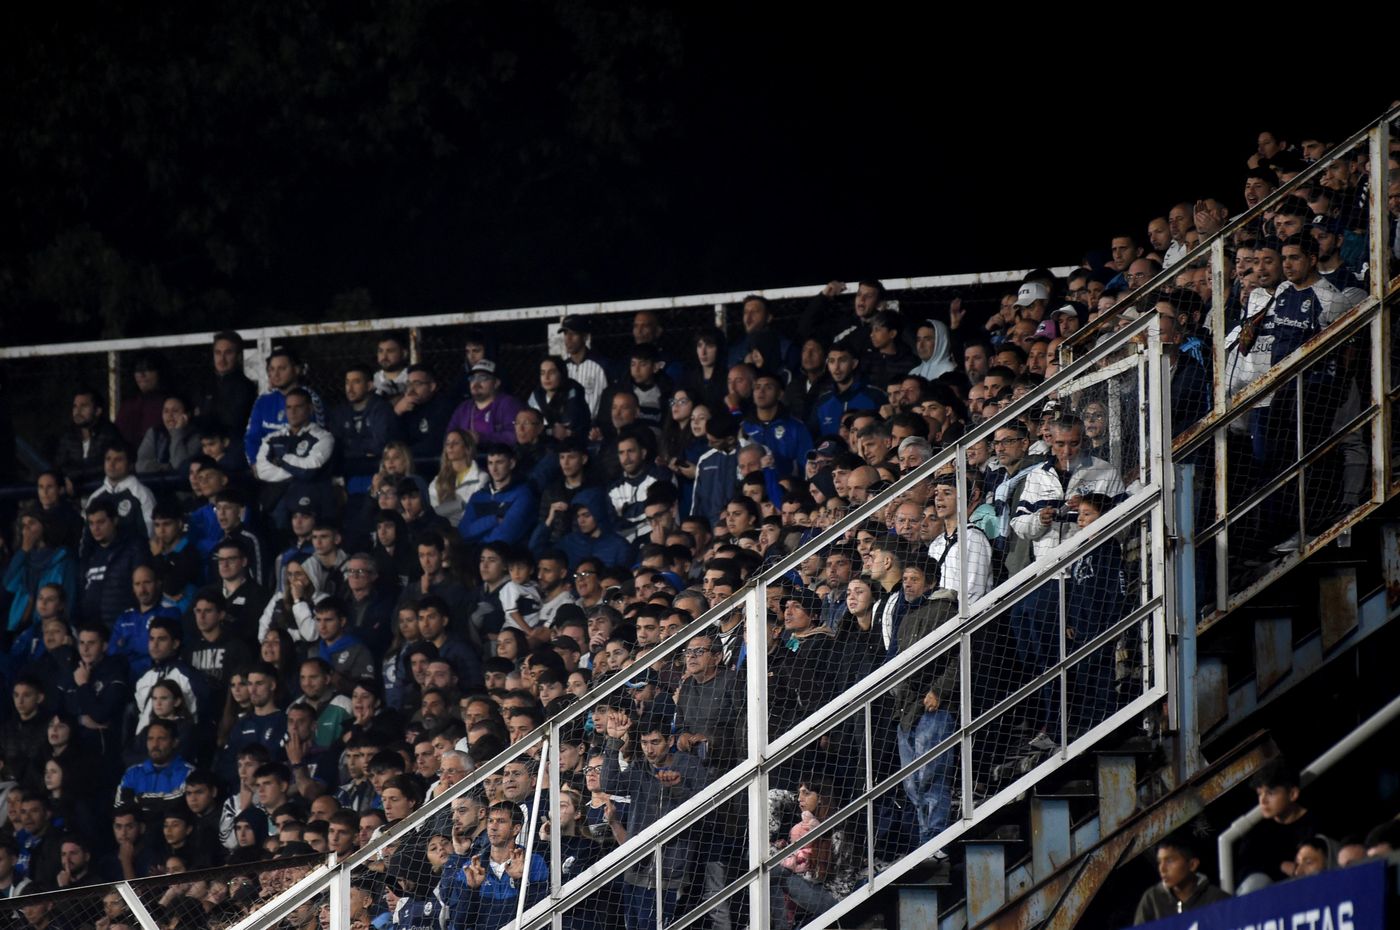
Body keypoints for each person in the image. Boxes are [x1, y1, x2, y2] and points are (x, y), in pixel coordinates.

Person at [243, 346, 326, 466]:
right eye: (272, 369)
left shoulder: (310, 399)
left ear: (296, 370)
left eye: (282, 368)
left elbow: (318, 439)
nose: (276, 374)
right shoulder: (263, 400)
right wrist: (255, 464)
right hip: (266, 467)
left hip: (299, 468)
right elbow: (252, 438)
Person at [1133, 836, 1230, 924]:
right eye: (1159, 862)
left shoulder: (1217, 899)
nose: (1162, 869)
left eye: (1169, 861)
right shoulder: (1152, 899)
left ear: (1192, 865)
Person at [457, 444, 537, 548]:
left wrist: (479, 540)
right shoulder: (478, 496)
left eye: (499, 462)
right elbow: (464, 532)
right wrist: (494, 520)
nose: (494, 469)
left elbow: (505, 535)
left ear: (511, 463)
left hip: (508, 554)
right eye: (490, 463)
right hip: (475, 554)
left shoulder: (523, 494)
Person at [54, 387, 123, 490]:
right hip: (75, 496)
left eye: (84, 406)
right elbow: (59, 465)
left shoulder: (109, 433)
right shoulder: (68, 436)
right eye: (75, 406)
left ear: (97, 411)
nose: (77, 411)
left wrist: (75, 477)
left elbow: (105, 466)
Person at [447, 361, 524, 447]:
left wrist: (482, 438)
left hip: (498, 454)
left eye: (483, 378)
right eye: (472, 378)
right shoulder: (464, 408)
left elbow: (516, 435)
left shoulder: (508, 404)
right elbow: (450, 435)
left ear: (496, 383)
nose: (476, 383)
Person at [429, 429, 487, 528]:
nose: (450, 447)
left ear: (467, 448)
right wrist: (460, 505)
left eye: (455, 443)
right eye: (447, 443)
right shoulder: (437, 482)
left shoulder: (481, 478)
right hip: (445, 531)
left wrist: (449, 508)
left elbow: (475, 509)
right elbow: (435, 512)